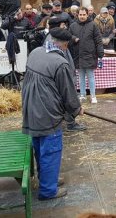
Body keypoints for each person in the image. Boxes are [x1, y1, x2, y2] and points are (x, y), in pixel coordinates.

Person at [22, 27, 83, 200]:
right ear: (63, 45)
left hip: (30, 108)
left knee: (39, 146)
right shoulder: (60, 63)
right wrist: (77, 109)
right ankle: (48, 190)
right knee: (51, 149)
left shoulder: (35, 52)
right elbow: (67, 92)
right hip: (47, 112)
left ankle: (46, 179)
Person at [45, 16, 87, 132]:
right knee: (68, 95)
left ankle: (67, 120)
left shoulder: (56, 37)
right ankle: (70, 123)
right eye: (63, 25)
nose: (65, 26)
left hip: (66, 72)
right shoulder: (52, 40)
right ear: (58, 26)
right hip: (63, 74)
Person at [69, 7, 104, 104]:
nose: (82, 16)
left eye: (84, 14)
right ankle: (83, 95)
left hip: (90, 54)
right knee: (81, 76)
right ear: (77, 15)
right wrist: (73, 38)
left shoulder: (93, 25)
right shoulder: (73, 26)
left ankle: (93, 95)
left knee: (90, 76)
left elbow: (98, 39)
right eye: (80, 14)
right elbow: (68, 36)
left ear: (87, 14)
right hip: (78, 54)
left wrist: (100, 52)